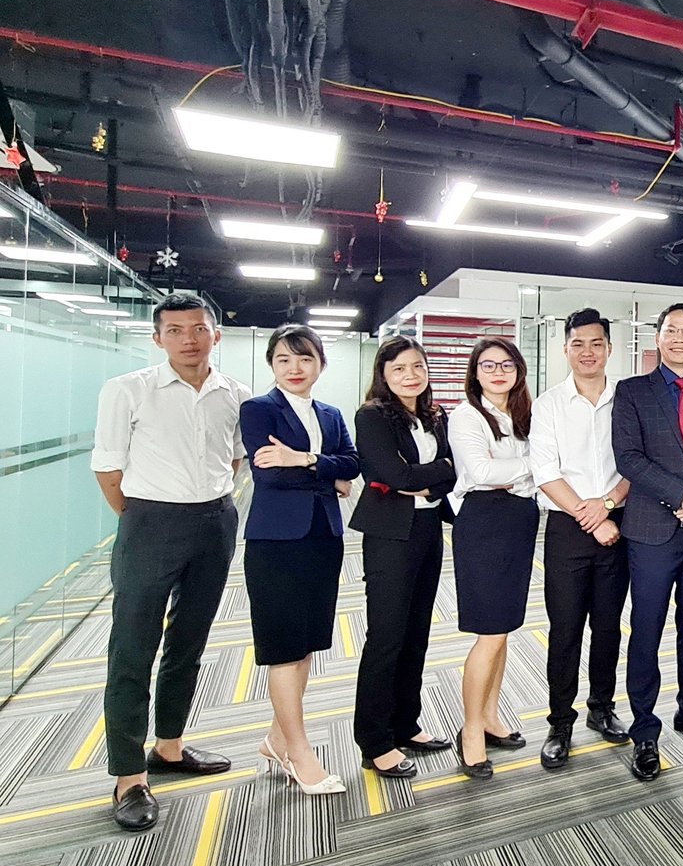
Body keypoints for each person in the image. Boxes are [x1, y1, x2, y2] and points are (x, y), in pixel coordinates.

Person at [91, 293, 249, 831]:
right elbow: (108, 470)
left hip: (215, 522)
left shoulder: (236, 394)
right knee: (132, 647)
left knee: (189, 642)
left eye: (198, 328)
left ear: (215, 335)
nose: (188, 339)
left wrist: (208, 505)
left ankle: (170, 747)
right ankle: (128, 775)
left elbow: (233, 459)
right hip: (149, 523)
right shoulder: (127, 390)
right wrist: (144, 518)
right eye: (175, 330)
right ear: (157, 338)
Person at [240, 324, 362, 795]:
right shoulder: (259, 409)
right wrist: (328, 475)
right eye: (284, 359)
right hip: (276, 542)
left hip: (323, 538)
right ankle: (298, 751)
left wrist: (305, 460)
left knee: (307, 644)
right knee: (284, 649)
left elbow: (352, 464)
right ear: (272, 364)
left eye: (305, 358)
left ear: (320, 364)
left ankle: (276, 739)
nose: (295, 368)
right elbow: (269, 476)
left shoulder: (330, 414)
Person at [613, 303, 683, 782]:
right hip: (651, 530)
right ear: (657, 337)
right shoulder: (631, 391)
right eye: (670, 330)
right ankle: (644, 729)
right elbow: (628, 458)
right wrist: (681, 494)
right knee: (646, 629)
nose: (679, 338)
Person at [349, 335, 457, 779]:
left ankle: (406, 724)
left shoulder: (435, 415)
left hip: (428, 529)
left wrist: (429, 479)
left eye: (417, 367)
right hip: (390, 535)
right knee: (386, 635)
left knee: (416, 633)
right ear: (384, 374)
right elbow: (392, 474)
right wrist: (437, 472)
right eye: (399, 369)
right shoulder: (372, 416)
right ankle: (374, 740)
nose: (410, 376)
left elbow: (452, 470)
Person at [530, 309, 633, 770]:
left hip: (618, 521)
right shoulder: (549, 404)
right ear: (565, 349)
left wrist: (608, 505)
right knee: (566, 629)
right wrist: (592, 517)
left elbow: (637, 461)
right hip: (568, 528)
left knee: (608, 626)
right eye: (578, 344)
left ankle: (602, 708)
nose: (587, 352)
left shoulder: (628, 399)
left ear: (609, 348)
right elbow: (544, 471)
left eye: (596, 343)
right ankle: (560, 722)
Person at [448, 336, 541, 780]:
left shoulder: (525, 415)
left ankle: (489, 716)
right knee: (488, 632)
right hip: (483, 523)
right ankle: (470, 730)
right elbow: (482, 472)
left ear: (519, 370)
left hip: (519, 521)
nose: (498, 372)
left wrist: (516, 475)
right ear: (475, 372)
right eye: (488, 365)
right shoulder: (466, 415)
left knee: (504, 630)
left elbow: (512, 471)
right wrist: (534, 468)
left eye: (507, 364)